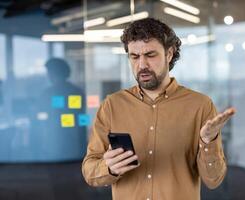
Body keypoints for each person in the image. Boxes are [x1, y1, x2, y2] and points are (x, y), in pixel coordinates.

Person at [82, 18, 236, 200]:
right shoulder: (112, 105)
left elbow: (213, 180)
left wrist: (207, 141)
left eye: (150, 55)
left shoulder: (200, 106)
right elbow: (90, 171)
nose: (142, 65)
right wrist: (108, 168)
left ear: (169, 54)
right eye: (135, 56)